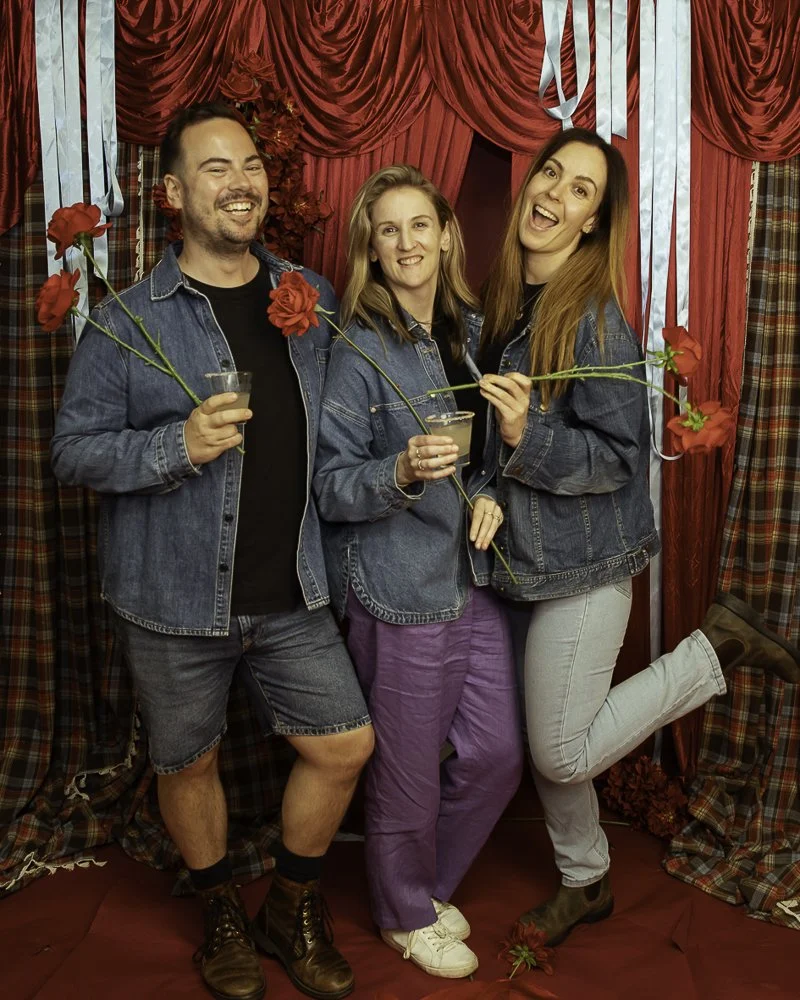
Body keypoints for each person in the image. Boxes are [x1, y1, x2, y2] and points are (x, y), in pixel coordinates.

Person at [51, 103, 374, 1000]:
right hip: (171, 596)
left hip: (293, 587)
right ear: (171, 192)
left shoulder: (309, 298)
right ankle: (222, 910)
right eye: (216, 167)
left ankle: (290, 907)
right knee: (187, 764)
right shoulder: (126, 320)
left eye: (252, 165)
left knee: (344, 746)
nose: (241, 183)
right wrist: (175, 447)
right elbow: (73, 452)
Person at [477, 127, 800, 946]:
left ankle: (714, 649)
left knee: (558, 752)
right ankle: (585, 879)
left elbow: (621, 456)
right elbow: (489, 448)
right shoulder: (510, 304)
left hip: (588, 564)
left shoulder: (592, 319)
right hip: (530, 563)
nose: (554, 194)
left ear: (593, 221)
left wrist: (526, 436)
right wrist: (486, 482)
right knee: (558, 728)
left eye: (580, 189)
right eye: (552, 173)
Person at [313, 165, 524, 979]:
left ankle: (421, 890)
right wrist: (397, 471)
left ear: (445, 235)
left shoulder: (472, 331)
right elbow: (331, 486)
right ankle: (403, 914)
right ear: (371, 247)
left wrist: (490, 493)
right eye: (388, 230)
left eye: (419, 225)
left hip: (467, 574)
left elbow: (488, 456)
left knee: (497, 753)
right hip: (396, 582)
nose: (406, 243)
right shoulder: (357, 346)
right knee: (407, 774)